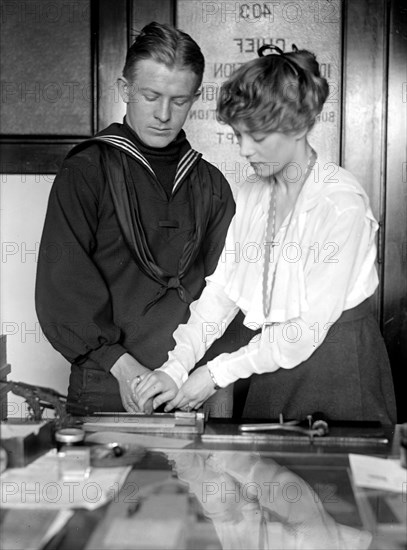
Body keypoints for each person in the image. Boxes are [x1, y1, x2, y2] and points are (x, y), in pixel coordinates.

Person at [134, 45, 397, 424]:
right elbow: (222, 292)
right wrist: (175, 368)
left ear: (300, 126)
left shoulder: (340, 204)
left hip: (338, 369)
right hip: (267, 367)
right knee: (267, 479)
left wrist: (213, 374)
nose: (244, 149)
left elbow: (305, 331)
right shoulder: (253, 193)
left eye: (257, 136)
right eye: (239, 135)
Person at [35, 22, 254, 414]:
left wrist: (199, 378)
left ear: (196, 98)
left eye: (180, 100)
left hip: (194, 387)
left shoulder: (211, 184)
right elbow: (62, 290)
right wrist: (125, 371)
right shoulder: (86, 171)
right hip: (108, 380)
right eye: (151, 96)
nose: (164, 114)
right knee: (110, 478)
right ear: (124, 90)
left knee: (203, 478)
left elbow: (234, 289)